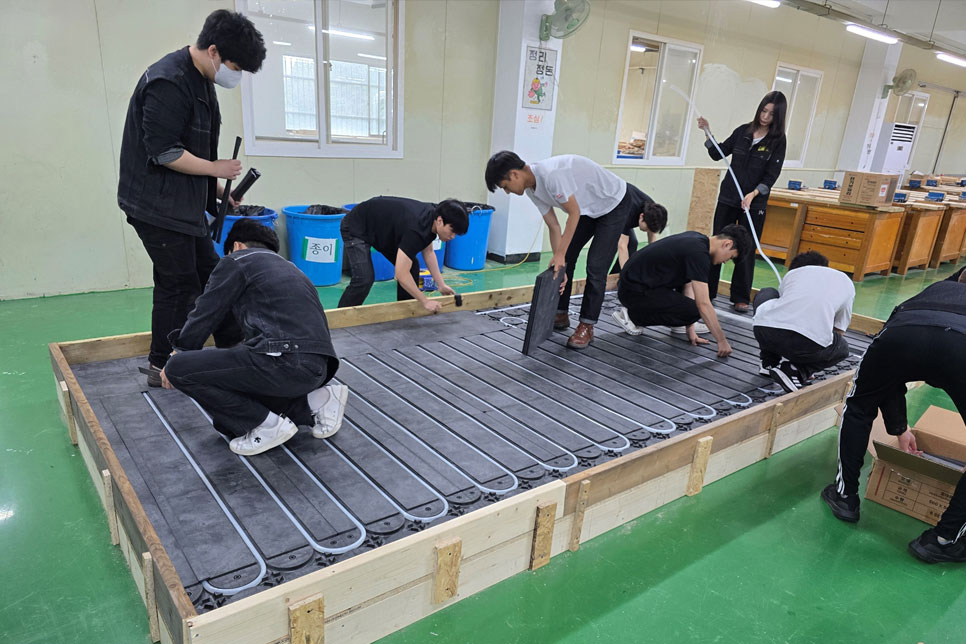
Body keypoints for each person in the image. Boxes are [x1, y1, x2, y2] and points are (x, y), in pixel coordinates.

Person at [117, 10, 267, 388]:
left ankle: (234, 344)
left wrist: (217, 189)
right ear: (213, 51)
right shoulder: (168, 81)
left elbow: (190, 150)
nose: (234, 75)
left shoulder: (202, 79)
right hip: (155, 206)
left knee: (214, 275)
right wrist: (216, 169)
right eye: (235, 67)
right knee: (179, 284)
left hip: (183, 204)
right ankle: (161, 366)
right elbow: (165, 152)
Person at [160, 219, 346, 457]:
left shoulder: (238, 260)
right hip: (318, 367)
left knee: (179, 369)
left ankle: (266, 426)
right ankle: (316, 401)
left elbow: (206, 311)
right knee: (226, 423)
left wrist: (178, 353)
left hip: (285, 360)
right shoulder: (291, 268)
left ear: (237, 246)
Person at [821, 269, 966, 563]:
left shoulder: (934, 290)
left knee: (859, 406)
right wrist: (899, 428)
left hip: (903, 335)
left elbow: (888, 380)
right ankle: (943, 540)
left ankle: (845, 497)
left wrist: (899, 428)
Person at [485, 152, 638, 350]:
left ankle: (587, 325)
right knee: (567, 258)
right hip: (588, 207)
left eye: (505, 186)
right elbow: (554, 226)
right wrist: (560, 259)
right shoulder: (532, 189)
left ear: (514, 174)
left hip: (614, 202)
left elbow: (573, 213)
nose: (507, 192)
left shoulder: (550, 175)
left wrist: (559, 255)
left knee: (596, 265)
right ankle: (561, 312)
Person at [697, 91, 787, 313]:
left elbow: (771, 175)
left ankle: (740, 297)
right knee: (718, 242)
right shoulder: (742, 132)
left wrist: (753, 194)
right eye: (763, 111)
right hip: (728, 197)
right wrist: (707, 133)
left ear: (778, 117)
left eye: (771, 114)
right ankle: (708, 291)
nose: (765, 117)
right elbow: (718, 154)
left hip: (753, 204)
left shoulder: (778, 141)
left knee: (746, 247)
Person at [611, 225, 753, 358]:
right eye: (731, 257)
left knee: (691, 310)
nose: (726, 261)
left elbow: (687, 284)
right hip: (633, 292)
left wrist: (690, 329)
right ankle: (633, 317)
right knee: (696, 310)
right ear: (727, 244)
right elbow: (703, 303)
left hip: (635, 286)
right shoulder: (699, 254)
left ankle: (640, 314)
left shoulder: (697, 240)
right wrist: (721, 341)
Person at [337, 197, 469, 311]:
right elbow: (400, 274)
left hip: (380, 229)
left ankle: (406, 313)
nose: (452, 237)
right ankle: (341, 319)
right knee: (364, 278)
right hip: (356, 226)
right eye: (452, 231)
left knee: (411, 266)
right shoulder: (416, 229)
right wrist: (425, 301)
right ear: (440, 221)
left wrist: (441, 284)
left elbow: (428, 252)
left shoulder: (432, 219)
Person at [752, 251, 855, 392]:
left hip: (764, 332)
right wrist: (811, 361)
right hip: (806, 345)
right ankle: (797, 370)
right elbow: (839, 330)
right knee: (842, 347)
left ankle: (768, 362)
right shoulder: (845, 282)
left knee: (767, 292)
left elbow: (783, 309)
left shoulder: (792, 275)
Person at [609, 183, 668, 274]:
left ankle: (617, 275)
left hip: (626, 205)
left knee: (632, 243)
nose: (648, 231)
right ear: (641, 216)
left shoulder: (653, 210)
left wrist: (655, 260)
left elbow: (652, 238)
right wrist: (627, 274)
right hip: (613, 208)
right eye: (647, 228)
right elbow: (622, 246)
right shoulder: (628, 213)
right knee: (609, 247)